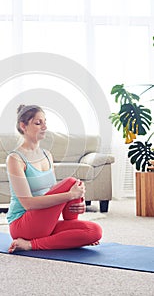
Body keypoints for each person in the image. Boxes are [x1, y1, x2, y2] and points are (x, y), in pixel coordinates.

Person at [6, 104, 102, 253]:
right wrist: (70, 195)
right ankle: (31, 244)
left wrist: (77, 203)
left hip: (44, 223)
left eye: (45, 122)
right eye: (38, 123)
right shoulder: (15, 158)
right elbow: (28, 204)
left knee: (95, 231)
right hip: (22, 225)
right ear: (23, 126)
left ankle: (62, 237)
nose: (44, 127)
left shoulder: (47, 155)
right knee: (71, 183)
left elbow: (52, 193)